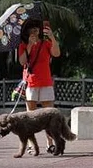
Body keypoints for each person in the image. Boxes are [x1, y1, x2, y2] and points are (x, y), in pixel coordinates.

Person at [18, 19, 61, 151]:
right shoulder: (23, 45)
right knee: (30, 116)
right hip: (31, 82)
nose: (34, 31)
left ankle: (50, 143)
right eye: (31, 29)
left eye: (36, 28)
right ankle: (31, 145)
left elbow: (56, 53)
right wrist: (30, 46)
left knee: (48, 115)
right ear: (27, 31)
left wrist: (52, 37)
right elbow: (22, 61)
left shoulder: (46, 44)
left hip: (46, 82)